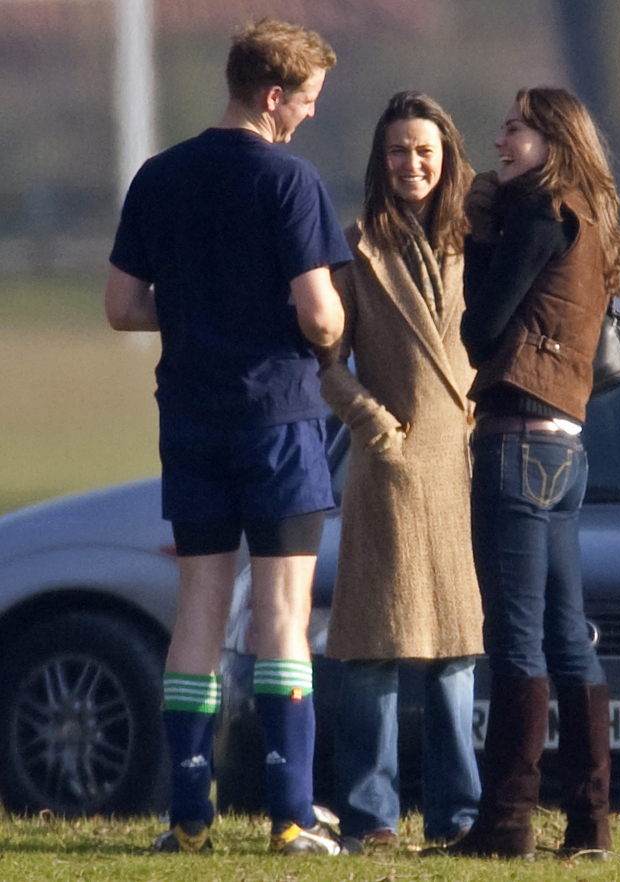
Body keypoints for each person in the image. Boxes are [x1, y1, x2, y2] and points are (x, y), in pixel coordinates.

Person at [104, 19, 352, 856]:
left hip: (190, 419)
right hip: (276, 419)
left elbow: (122, 307)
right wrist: (329, 327)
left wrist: (198, 312)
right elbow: (320, 315)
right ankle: (290, 814)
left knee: (199, 610)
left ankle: (188, 816)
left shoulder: (158, 175)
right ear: (273, 96)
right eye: (307, 100)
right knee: (282, 613)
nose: (311, 114)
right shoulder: (288, 179)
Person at [449, 87, 620, 859]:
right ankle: (589, 824)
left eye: (515, 128)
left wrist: (478, 237)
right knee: (568, 638)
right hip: (566, 447)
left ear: (553, 138)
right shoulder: (590, 216)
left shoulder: (536, 210)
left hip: (517, 441)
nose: (500, 141)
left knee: (517, 642)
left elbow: (481, 328)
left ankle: (505, 824)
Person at [319, 90, 484, 850]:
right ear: (378, 160)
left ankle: (458, 816)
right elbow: (325, 363)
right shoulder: (356, 249)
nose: (410, 163)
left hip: (458, 467)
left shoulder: (477, 243)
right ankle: (371, 817)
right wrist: (374, 426)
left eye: (424, 150)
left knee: (455, 651)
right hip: (388, 469)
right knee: (373, 649)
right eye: (397, 150)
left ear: (447, 157)